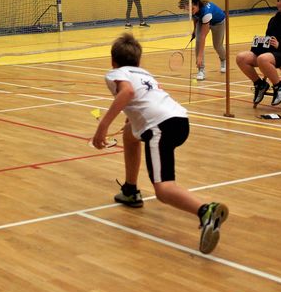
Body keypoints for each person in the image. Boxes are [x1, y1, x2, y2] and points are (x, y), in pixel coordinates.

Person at [92, 33, 229, 254]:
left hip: (161, 127)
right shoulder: (145, 74)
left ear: (113, 61)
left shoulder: (116, 73)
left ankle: (206, 210)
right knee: (130, 134)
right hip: (180, 119)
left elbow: (127, 92)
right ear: (138, 61)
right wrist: (133, 119)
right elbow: (150, 96)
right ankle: (130, 190)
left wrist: (103, 126)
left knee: (163, 190)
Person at [178, 0, 226, 81]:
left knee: (217, 45)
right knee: (198, 41)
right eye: (188, 10)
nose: (190, 12)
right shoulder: (194, 10)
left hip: (218, 22)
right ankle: (201, 70)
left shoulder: (206, 12)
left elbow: (203, 36)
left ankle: (224, 59)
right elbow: (195, 18)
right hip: (202, 20)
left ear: (197, 4)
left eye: (192, 9)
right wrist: (194, 30)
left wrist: (199, 56)